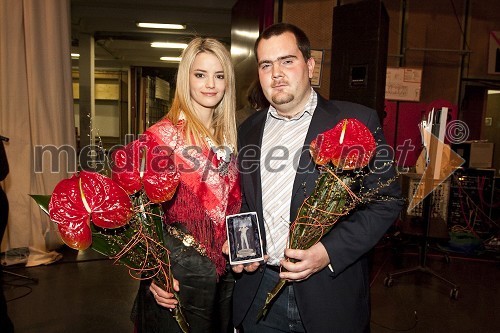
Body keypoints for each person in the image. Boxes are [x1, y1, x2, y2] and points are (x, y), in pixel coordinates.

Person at [227, 23, 403, 332]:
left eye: (287, 60)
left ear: (310, 65)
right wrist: (243, 245)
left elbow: (386, 203)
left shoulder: (355, 122)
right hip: (260, 293)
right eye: (266, 65)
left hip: (330, 293)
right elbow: (243, 201)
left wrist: (328, 253)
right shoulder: (247, 130)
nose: (276, 73)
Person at [133, 37, 241, 333]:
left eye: (219, 76)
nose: (211, 84)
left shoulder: (229, 138)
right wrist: (154, 272)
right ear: (186, 78)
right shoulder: (160, 138)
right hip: (178, 279)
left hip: (224, 278)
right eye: (200, 74)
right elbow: (139, 215)